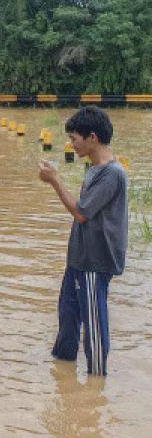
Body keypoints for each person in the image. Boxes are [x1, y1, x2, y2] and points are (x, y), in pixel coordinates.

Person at [39, 106, 128, 376]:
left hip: (94, 262)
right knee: (67, 322)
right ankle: (64, 377)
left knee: (94, 327)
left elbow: (80, 213)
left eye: (74, 138)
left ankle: (96, 385)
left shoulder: (112, 174)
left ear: (92, 138)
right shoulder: (94, 169)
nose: (71, 144)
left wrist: (55, 181)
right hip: (78, 259)